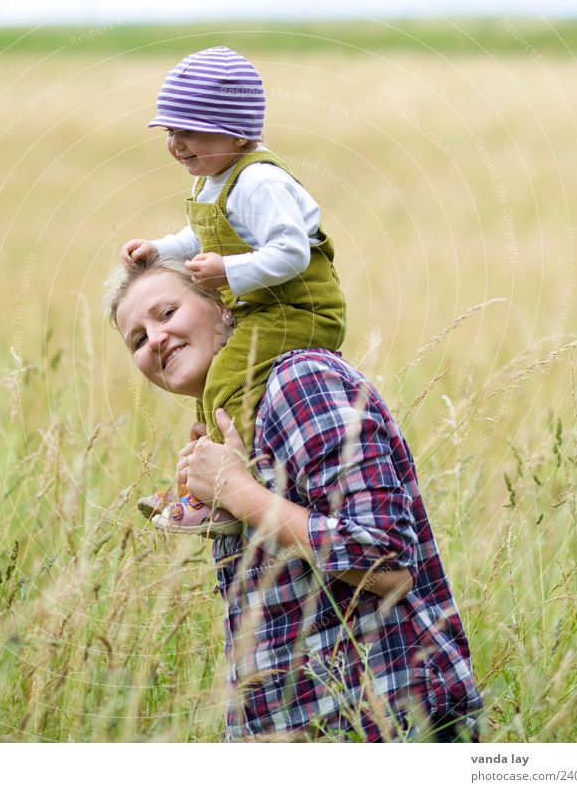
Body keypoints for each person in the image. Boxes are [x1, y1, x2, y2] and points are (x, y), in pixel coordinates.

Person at [107, 257, 483, 742]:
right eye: (137, 339)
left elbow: (386, 559)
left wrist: (240, 493)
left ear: (223, 302)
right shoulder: (239, 418)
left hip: (384, 719)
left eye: (166, 313)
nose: (154, 338)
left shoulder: (300, 381)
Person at [121, 46, 346, 533]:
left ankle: (228, 491)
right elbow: (199, 236)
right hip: (265, 307)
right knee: (216, 385)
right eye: (170, 132)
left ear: (236, 131)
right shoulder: (213, 181)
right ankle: (199, 487)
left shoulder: (260, 183)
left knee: (228, 374)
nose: (176, 144)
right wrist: (159, 250)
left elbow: (291, 253)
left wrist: (229, 269)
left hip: (298, 308)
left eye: (188, 131)